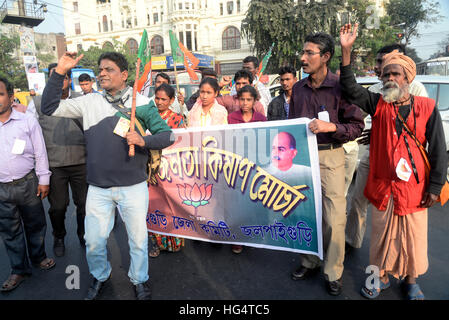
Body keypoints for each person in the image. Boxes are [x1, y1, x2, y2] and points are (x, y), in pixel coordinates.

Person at [41, 51, 174, 300]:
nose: (102, 73)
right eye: (100, 69)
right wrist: (60, 70)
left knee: (137, 240)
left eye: (109, 69)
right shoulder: (89, 101)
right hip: (99, 188)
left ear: (124, 75)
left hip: (133, 186)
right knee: (93, 241)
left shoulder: (142, 103)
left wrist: (143, 140)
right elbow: (49, 107)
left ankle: (139, 279)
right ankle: (100, 276)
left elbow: (168, 136)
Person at [339, 23, 447, 300]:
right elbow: (350, 89)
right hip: (383, 186)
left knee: (413, 238)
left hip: (414, 187)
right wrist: (346, 50)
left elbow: (437, 149)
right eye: (386, 73)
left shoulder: (427, 108)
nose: (389, 78)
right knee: (380, 239)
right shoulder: (378, 104)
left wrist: (435, 187)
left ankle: (411, 282)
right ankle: (379, 278)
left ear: (407, 78)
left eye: (395, 73)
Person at [288, 32, 365, 296]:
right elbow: (292, 125)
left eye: (309, 53)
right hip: (301, 159)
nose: (303, 58)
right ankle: (309, 262)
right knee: (304, 214)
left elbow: (357, 127)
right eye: (303, 52)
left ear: (326, 57)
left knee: (333, 218)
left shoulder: (341, 86)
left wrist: (330, 126)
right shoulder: (298, 88)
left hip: (331, 156)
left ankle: (333, 272)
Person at [345, 44, 428, 252]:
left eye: (392, 66)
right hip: (375, 156)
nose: (385, 70)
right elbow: (357, 106)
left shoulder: (417, 90)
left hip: (404, 165)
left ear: (406, 72)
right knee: (358, 200)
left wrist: (434, 185)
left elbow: (419, 128)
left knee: (400, 211)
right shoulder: (375, 91)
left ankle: (400, 261)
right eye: (382, 63)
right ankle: (351, 241)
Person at [0, 77, 55, 293]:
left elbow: (40, 152)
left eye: (0, 93)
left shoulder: (27, 121)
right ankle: (18, 269)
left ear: (11, 96)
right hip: (2, 188)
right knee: (9, 231)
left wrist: (44, 180)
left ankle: (38, 257)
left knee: (35, 224)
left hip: (28, 184)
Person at [35, 63, 87, 257]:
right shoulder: (38, 104)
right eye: (56, 76)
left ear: (69, 79)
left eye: (65, 76)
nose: (61, 80)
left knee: (84, 204)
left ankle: (83, 234)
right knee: (58, 207)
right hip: (54, 166)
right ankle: (59, 236)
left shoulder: (83, 101)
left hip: (81, 162)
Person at [227, 84, 266, 254]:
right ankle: (238, 238)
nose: (245, 103)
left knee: (254, 202)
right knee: (237, 203)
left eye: (248, 99)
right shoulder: (230, 118)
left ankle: (252, 234)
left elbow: (265, 142)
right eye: (242, 99)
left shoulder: (262, 119)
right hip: (236, 166)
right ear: (237, 100)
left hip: (256, 166)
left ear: (254, 101)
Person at [148, 83, 185, 258]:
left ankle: (173, 241)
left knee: (171, 206)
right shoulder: (148, 117)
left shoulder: (178, 119)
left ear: (171, 100)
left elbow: (183, 144)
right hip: (150, 169)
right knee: (153, 206)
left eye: (164, 99)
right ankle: (155, 243)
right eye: (157, 98)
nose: (160, 102)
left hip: (171, 169)